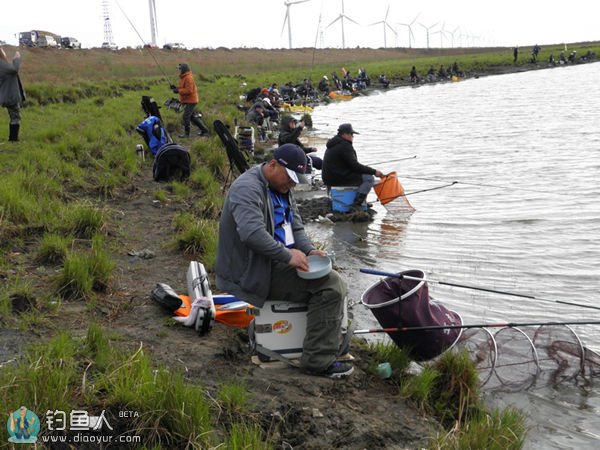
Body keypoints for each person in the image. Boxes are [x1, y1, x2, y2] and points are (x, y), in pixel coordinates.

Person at [215, 143, 352, 378]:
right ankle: (317, 361)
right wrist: (288, 256)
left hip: (274, 262)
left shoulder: (281, 188)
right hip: (252, 270)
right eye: (290, 178)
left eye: (296, 180)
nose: (293, 184)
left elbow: (295, 226)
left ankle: (321, 340)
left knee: (329, 275)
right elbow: (252, 234)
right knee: (331, 287)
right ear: (272, 164)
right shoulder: (247, 189)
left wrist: (308, 251)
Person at [322, 124, 384, 211]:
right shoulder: (344, 146)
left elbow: (351, 165)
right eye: (351, 134)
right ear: (344, 134)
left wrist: (366, 170)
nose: (352, 136)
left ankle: (361, 201)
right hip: (337, 178)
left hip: (330, 178)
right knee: (369, 178)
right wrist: (374, 171)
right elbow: (355, 166)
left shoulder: (335, 143)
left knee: (364, 175)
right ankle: (357, 204)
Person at [171, 63, 209, 138]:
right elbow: (183, 88)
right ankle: (205, 131)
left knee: (186, 117)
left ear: (183, 70)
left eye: (180, 69)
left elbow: (189, 90)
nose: (179, 70)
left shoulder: (188, 78)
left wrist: (178, 91)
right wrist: (176, 88)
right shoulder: (184, 77)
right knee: (192, 117)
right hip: (188, 100)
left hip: (191, 101)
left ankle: (186, 134)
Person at [0, 48, 25, 142]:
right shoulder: (1, 64)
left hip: (6, 93)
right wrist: (17, 58)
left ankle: (13, 139)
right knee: (15, 116)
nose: (4, 52)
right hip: (9, 95)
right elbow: (14, 70)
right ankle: (13, 140)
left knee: (14, 116)